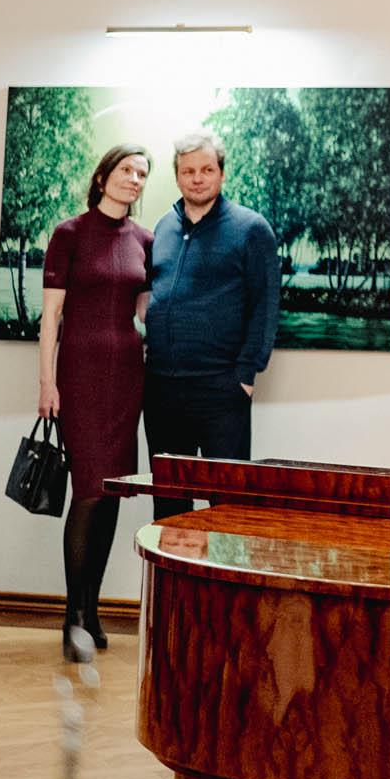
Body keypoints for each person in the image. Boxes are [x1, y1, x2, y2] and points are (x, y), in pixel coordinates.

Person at [38, 144, 153, 658]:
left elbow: (147, 312)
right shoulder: (69, 233)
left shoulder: (145, 240)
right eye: (126, 170)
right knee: (87, 490)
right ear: (103, 177)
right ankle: (74, 617)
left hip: (127, 376)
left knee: (110, 494)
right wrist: (47, 383)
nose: (134, 179)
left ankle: (93, 607)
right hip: (79, 373)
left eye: (142, 173)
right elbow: (51, 317)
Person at [143, 131, 279, 523]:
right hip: (162, 390)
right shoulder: (163, 227)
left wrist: (246, 375)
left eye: (206, 169)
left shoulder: (251, 228)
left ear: (222, 173)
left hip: (221, 389)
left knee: (228, 506)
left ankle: (225, 569)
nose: (197, 178)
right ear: (177, 176)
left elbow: (266, 305)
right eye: (188, 171)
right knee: (168, 507)